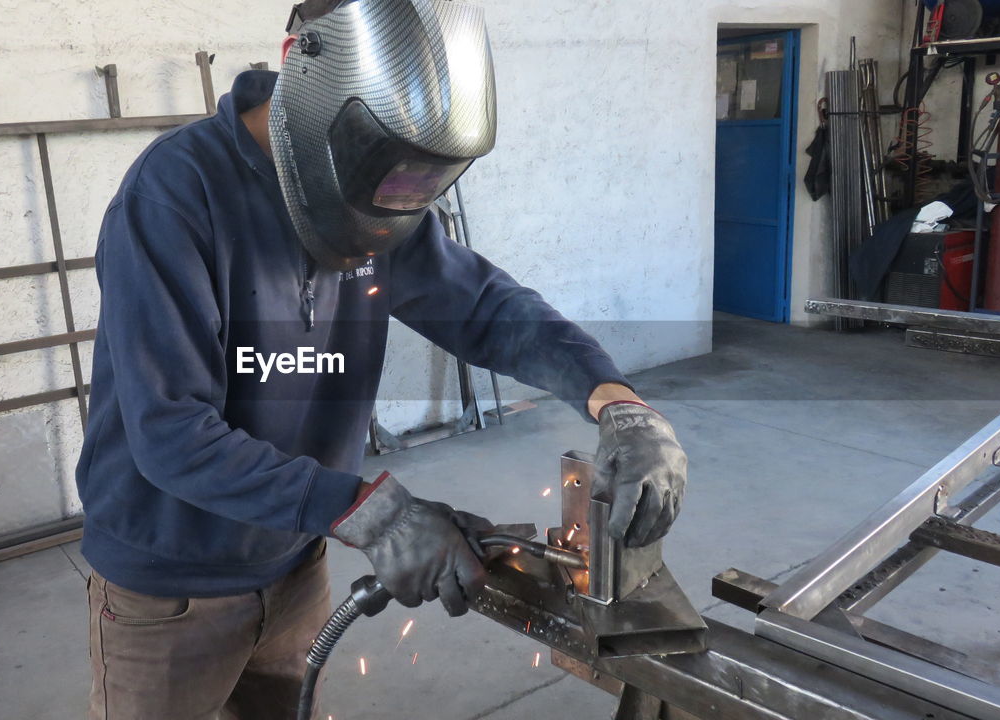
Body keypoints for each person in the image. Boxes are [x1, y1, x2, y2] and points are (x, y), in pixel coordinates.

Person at [75, 1, 687, 718]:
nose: (383, 212)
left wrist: (618, 404)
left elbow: (490, 310)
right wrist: (373, 512)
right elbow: (172, 434)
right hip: (169, 588)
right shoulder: (176, 193)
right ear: (302, 68)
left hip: (297, 561)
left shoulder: (374, 193)